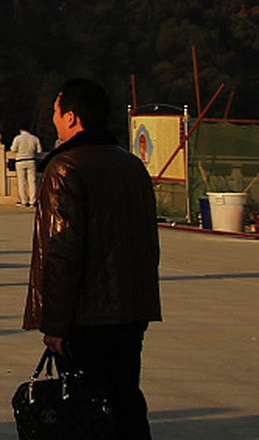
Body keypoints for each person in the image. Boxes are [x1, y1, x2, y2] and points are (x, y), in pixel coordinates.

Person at [23, 78, 160, 440]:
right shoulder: (132, 165)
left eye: (56, 112)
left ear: (71, 117)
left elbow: (63, 252)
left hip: (86, 313)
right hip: (131, 308)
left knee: (87, 407)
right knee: (125, 397)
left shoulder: (66, 167)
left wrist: (54, 323)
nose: (54, 119)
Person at [9, 124, 44, 207]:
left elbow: (13, 149)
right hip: (31, 160)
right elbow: (39, 150)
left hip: (20, 161)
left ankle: (23, 201)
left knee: (22, 182)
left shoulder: (18, 138)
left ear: (20, 130)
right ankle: (33, 201)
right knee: (32, 182)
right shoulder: (34, 138)